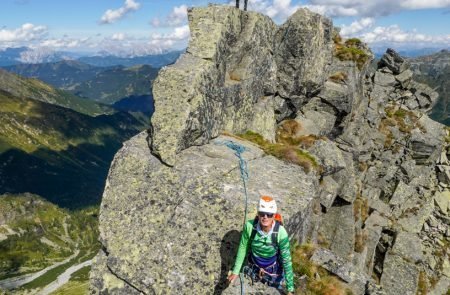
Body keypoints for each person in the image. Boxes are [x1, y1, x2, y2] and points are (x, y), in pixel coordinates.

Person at [227, 196, 294, 294]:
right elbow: (243, 247)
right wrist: (236, 271)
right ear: (258, 214)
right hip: (253, 265)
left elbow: (286, 259)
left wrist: (290, 289)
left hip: (273, 267)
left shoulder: (281, 232)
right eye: (262, 213)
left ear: (274, 216)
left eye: (269, 214)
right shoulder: (249, 227)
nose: (265, 217)